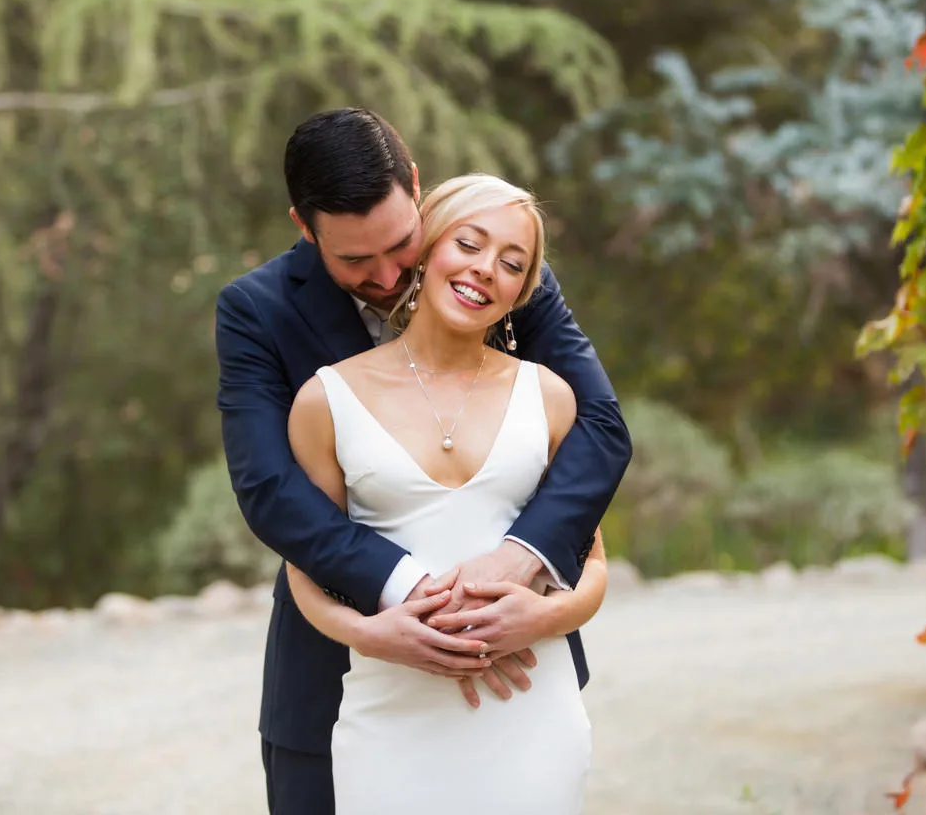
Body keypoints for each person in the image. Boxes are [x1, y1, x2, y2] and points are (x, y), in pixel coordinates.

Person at [215, 109, 632, 813]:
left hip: (517, 671)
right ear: (303, 225)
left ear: (416, 188)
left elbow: (600, 426)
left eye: (401, 244)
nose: (384, 275)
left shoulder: (500, 270)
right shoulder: (256, 312)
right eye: (353, 260)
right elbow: (270, 490)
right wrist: (409, 592)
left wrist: (518, 561)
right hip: (338, 673)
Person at [288, 172, 598, 813]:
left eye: (512, 263)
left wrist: (542, 617)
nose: (487, 270)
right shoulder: (326, 399)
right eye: (470, 244)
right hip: (391, 716)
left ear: (521, 291)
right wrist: (377, 636)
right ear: (425, 250)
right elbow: (305, 572)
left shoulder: (551, 397)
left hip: (531, 712)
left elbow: (592, 565)